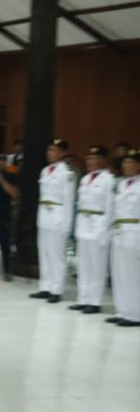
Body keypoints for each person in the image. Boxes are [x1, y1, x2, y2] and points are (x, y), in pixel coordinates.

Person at [31, 138, 78, 304]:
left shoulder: (67, 174)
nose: (49, 153)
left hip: (58, 217)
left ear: (62, 153)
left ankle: (56, 289)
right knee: (44, 253)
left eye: (53, 150)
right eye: (48, 150)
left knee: (57, 255)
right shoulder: (45, 171)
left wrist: (65, 224)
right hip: (44, 216)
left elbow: (69, 200)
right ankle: (45, 286)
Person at [70, 146, 115, 315]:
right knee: (84, 265)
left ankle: (95, 302)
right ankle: (83, 298)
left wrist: (105, 231)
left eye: (93, 159)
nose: (89, 162)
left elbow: (110, 208)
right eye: (88, 159)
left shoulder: (108, 180)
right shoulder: (85, 179)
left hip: (98, 226)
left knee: (97, 267)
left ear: (102, 161)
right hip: (84, 224)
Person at [109, 150, 140, 327]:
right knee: (119, 273)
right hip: (119, 232)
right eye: (125, 162)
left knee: (133, 275)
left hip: (135, 232)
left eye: (131, 162)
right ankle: (122, 310)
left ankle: (135, 314)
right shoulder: (121, 185)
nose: (126, 165)